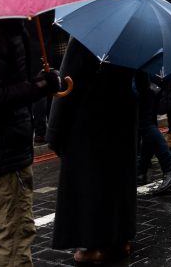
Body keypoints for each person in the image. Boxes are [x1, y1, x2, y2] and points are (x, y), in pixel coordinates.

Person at [48, 39, 139, 264]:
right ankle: (121, 238)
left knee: (91, 181)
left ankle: (95, 244)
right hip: (123, 115)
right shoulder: (133, 33)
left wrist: (54, 131)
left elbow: (69, 82)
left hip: (89, 117)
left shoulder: (87, 35)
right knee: (119, 178)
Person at [0, 20, 59, 265]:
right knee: (11, 233)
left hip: (7, 147)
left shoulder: (9, 26)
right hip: (4, 151)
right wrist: (37, 86)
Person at [135, 72, 171, 193]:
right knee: (148, 123)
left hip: (144, 81)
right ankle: (140, 170)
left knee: (145, 124)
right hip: (155, 78)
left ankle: (170, 166)